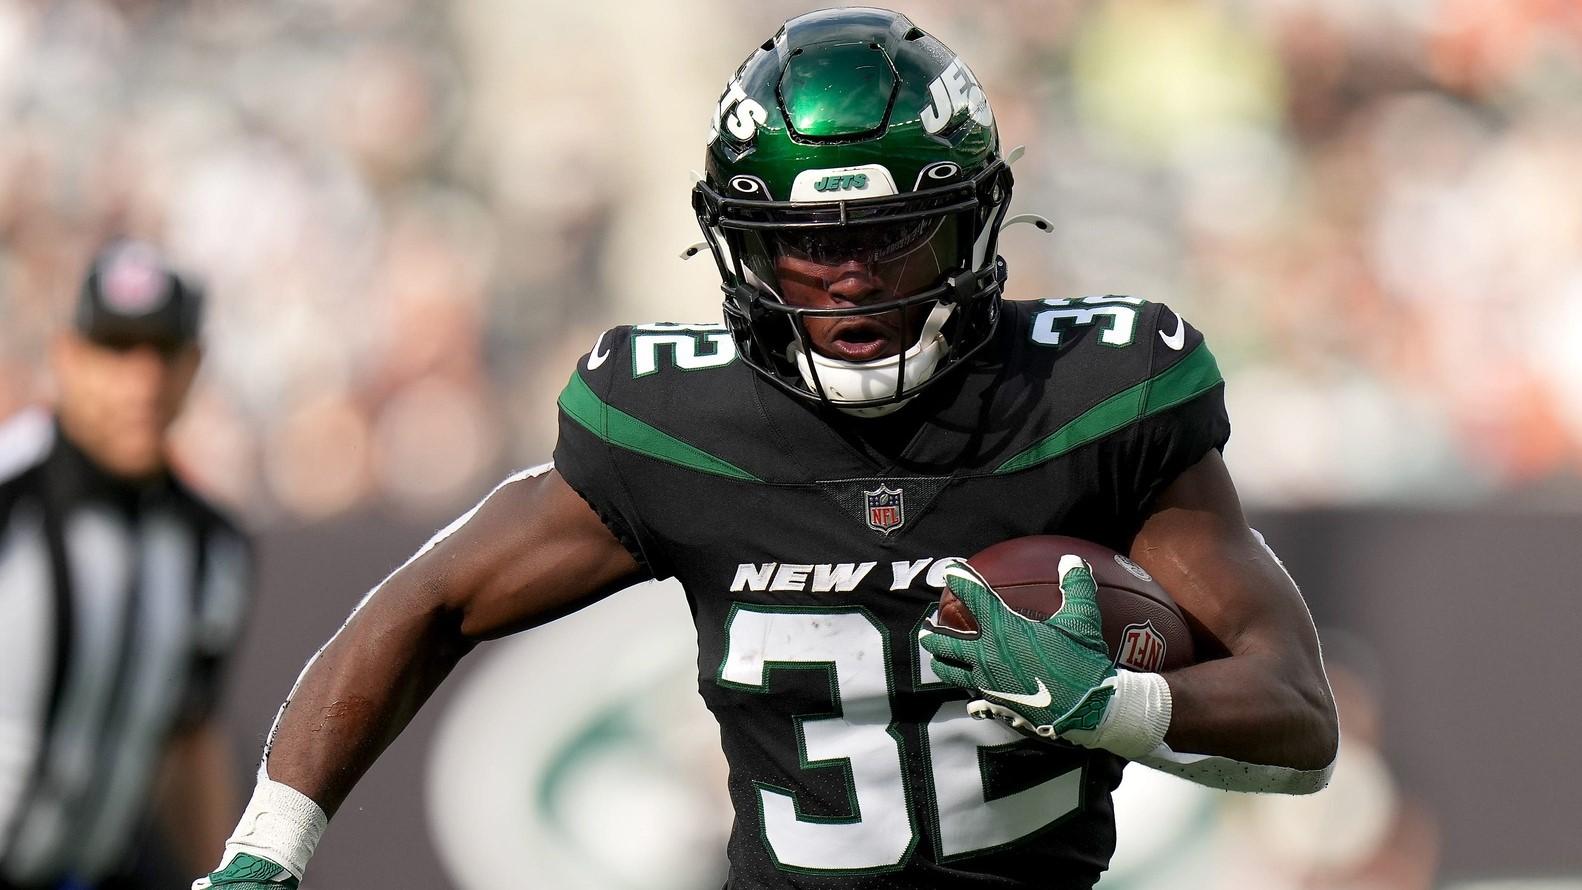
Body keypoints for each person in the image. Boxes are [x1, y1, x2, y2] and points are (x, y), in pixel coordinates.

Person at [196, 8, 1337, 890]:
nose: (849, 276)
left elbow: (1298, 713)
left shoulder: (1096, 397)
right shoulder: (674, 423)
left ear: (972, 219)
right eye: (805, 246)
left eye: (888, 234)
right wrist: (268, 846)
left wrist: (1114, 705)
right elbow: (427, 603)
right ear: (741, 248)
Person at [0, 241, 250, 890]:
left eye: (163, 353)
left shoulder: (209, 543)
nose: (141, 382)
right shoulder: (11, 495)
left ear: (194, 367)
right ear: (67, 355)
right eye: (115, 348)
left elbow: (189, 738)